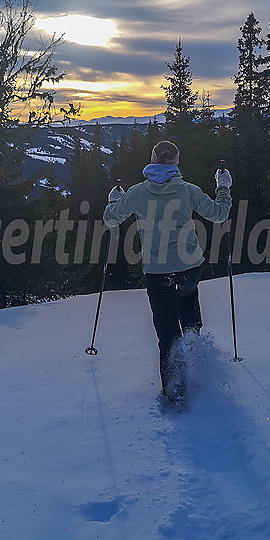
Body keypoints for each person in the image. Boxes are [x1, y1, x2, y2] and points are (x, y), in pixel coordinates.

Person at [103, 140, 232, 408]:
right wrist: (223, 187)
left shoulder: (137, 193)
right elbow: (219, 214)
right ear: (176, 161)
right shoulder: (189, 191)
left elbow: (110, 220)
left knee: (167, 333)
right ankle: (199, 366)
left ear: (152, 159)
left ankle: (175, 393)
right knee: (190, 318)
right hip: (189, 267)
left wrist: (114, 201)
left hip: (158, 272)